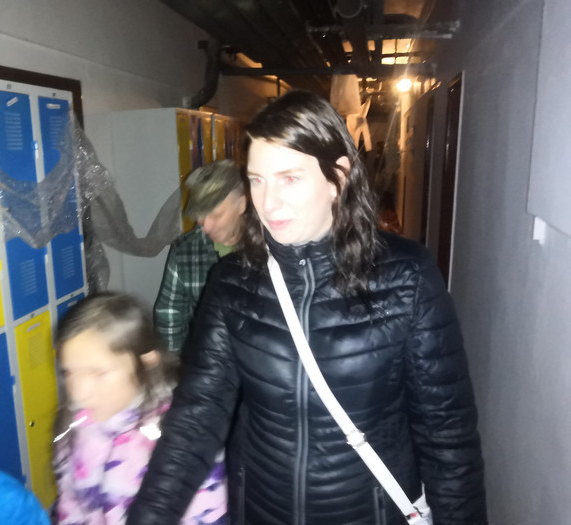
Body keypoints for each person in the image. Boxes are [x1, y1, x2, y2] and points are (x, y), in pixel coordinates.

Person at [126, 90, 487, 524]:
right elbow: (196, 418)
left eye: (289, 178)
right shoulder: (233, 283)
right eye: (257, 180)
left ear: (338, 177)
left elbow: (447, 436)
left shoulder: (406, 278)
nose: (267, 203)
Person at [52, 292, 227, 524]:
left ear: (146, 363)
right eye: (69, 372)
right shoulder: (77, 424)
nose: (79, 393)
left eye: (98, 373)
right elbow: (70, 505)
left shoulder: (182, 436)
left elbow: (206, 515)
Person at [154, 159, 246, 353]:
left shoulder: (269, 247)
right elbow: (170, 318)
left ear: (241, 205)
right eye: (200, 215)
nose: (206, 226)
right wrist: (175, 365)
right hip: (207, 358)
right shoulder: (185, 250)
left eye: (215, 215)